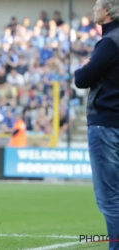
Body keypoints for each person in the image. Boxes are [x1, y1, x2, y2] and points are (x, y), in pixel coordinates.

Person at [74, 1, 119, 249]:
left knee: (109, 197)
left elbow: (82, 78)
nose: (93, 9)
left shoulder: (111, 41)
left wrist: (85, 68)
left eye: (96, 5)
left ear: (107, 11)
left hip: (107, 124)